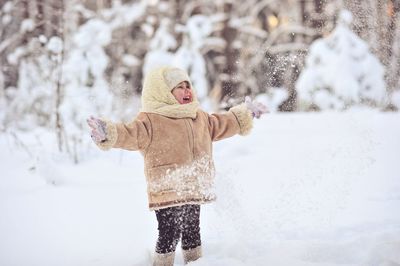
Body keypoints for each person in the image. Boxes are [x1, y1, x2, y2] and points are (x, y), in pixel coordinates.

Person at [87, 66, 267, 266]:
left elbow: (222, 123)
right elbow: (129, 134)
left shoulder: (198, 117)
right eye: (179, 87)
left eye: (187, 86)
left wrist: (244, 114)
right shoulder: (151, 120)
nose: (186, 91)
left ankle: (195, 262)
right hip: (167, 188)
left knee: (192, 231)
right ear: (162, 92)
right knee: (169, 234)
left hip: (193, 186)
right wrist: (108, 133)